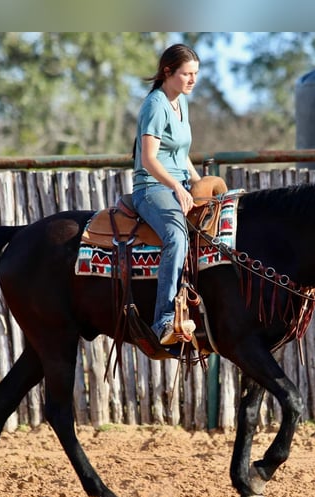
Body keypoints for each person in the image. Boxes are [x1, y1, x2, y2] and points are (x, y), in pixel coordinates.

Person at [132, 44, 201, 346]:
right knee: (176, 236)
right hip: (152, 188)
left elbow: (180, 153)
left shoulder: (180, 102)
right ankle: (162, 320)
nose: (192, 80)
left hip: (180, 186)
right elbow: (149, 159)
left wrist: (200, 182)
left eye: (195, 74)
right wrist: (175, 186)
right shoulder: (155, 106)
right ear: (167, 72)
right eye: (187, 74)